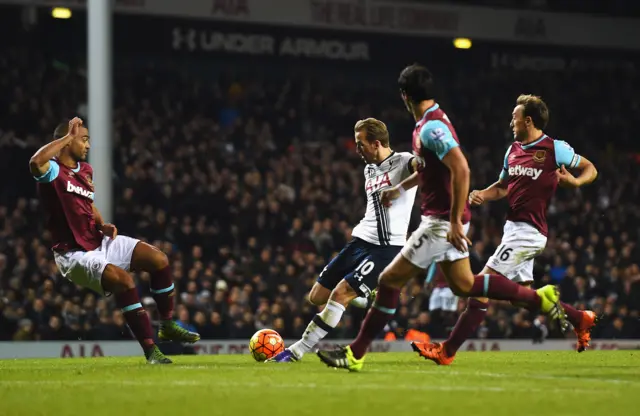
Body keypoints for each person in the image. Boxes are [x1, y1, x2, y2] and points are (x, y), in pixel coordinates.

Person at [317, 64, 567, 372]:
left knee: (388, 280)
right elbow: (427, 168)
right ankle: (537, 298)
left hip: (439, 222)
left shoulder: (432, 127)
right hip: (445, 219)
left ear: (404, 95)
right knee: (465, 285)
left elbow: (461, 168)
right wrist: (401, 188)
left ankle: (355, 353)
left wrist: (451, 222)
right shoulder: (428, 122)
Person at [413, 94, 599, 364]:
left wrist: (577, 182)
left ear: (528, 120)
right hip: (512, 230)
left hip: (530, 232)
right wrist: (480, 195)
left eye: (515, 117)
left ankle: (447, 351)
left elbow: (590, 168)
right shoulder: (512, 151)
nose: (511, 122)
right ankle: (580, 318)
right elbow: (501, 187)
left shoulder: (553, 148)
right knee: (523, 299)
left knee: (480, 288)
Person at [29, 118, 199, 364]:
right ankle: (152, 351)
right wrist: (67, 136)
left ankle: (168, 324)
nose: (88, 145)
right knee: (124, 281)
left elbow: (87, 203)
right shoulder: (53, 171)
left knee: (158, 259)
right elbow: (35, 162)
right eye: (83, 139)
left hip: (98, 240)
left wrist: (101, 224)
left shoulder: (85, 170)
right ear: (67, 141)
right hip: (73, 253)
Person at [268, 118, 418, 362]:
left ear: (376, 143)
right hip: (360, 241)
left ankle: (296, 351)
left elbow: (429, 171)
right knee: (316, 296)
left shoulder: (403, 162)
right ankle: (366, 294)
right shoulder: (369, 169)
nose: (356, 149)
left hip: (387, 247)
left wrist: (399, 189)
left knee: (340, 294)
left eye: (360, 144)